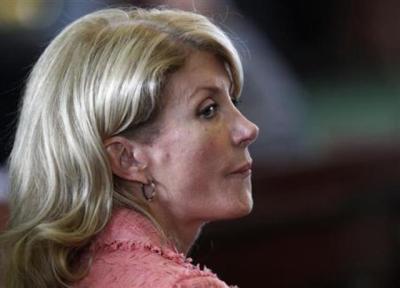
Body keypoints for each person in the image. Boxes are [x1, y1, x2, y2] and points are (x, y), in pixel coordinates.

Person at [0, 7, 258, 288]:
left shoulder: (67, 269)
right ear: (127, 158)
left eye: (234, 101)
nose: (248, 130)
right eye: (208, 110)